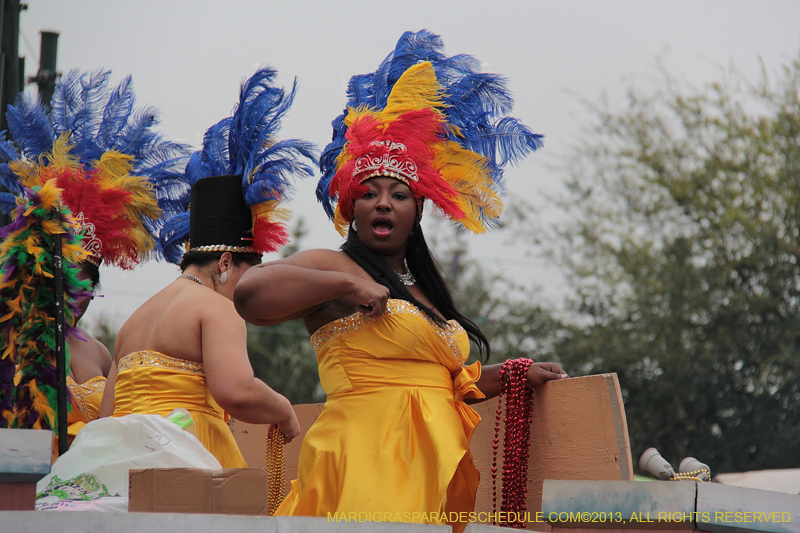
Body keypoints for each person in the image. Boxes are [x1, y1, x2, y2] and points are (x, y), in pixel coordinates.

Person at [233, 31, 567, 531]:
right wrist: (345, 288)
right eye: (369, 194)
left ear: (418, 210)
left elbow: (443, 385)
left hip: (431, 469)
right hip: (361, 463)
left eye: (399, 195)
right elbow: (250, 294)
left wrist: (514, 374)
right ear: (351, 208)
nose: (383, 203)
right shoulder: (333, 265)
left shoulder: (425, 290)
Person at [99, 66, 316, 467]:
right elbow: (235, 390)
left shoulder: (134, 321)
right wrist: (283, 408)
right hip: (182, 457)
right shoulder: (216, 307)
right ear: (227, 262)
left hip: (116, 461)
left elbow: (106, 415)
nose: (250, 294)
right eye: (249, 276)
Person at [0, 69, 187, 453]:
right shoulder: (10, 333)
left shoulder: (101, 352)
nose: (80, 296)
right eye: (70, 281)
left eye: (89, 284)